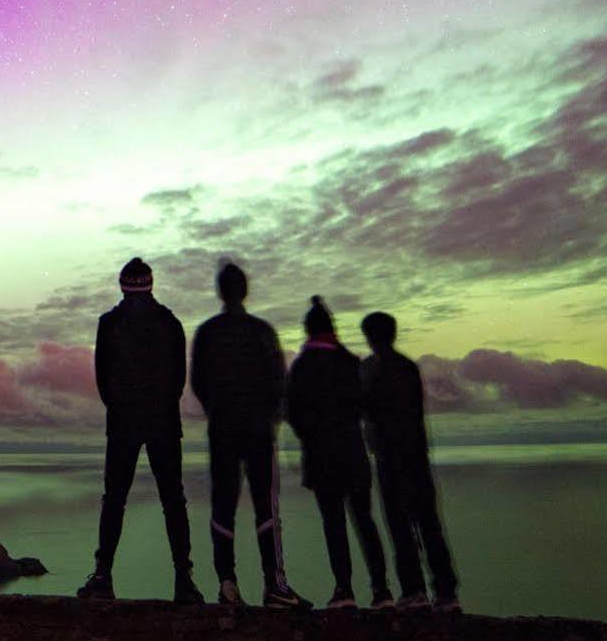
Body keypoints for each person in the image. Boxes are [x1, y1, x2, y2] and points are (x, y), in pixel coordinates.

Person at [79, 257, 203, 603]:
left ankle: (103, 575)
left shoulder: (109, 323)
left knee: (114, 499)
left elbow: (102, 377)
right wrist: (161, 404)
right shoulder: (170, 322)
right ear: (151, 285)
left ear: (122, 286)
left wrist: (120, 406)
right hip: (163, 419)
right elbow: (179, 377)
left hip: (123, 421)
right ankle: (184, 579)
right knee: (173, 499)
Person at [189, 263, 309, 609]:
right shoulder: (262, 331)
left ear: (220, 291)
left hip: (223, 430)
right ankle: (274, 585)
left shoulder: (208, 332)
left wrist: (218, 411)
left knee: (222, 506)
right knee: (266, 508)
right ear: (245, 291)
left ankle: (228, 584)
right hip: (258, 431)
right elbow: (279, 381)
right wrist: (270, 417)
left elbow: (198, 381)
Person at [285, 296, 392, 610]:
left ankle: (344, 589)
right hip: (352, 452)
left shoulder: (303, 366)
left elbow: (291, 410)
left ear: (307, 330)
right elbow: (364, 405)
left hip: (321, 456)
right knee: (364, 521)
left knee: (333, 524)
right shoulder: (350, 362)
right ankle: (382, 590)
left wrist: (309, 436)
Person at [359, 310, 459, 611]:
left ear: (370, 336)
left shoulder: (371, 369)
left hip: (392, 456)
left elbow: (366, 408)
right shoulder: (407, 367)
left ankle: (415, 590)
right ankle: (445, 591)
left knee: (401, 525)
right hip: (414, 454)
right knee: (427, 523)